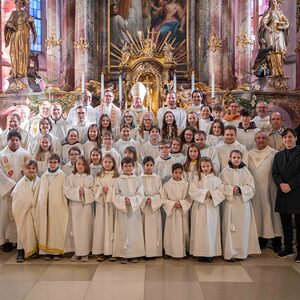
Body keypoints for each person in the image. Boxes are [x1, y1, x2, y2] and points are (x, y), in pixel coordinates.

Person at [220, 150, 260, 261]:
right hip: (230, 204)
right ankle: (230, 253)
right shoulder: (224, 171)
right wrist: (230, 189)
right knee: (230, 229)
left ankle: (241, 253)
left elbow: (252, 188)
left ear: (241, 158)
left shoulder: (246, 172)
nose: (236, 159)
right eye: (234, 157)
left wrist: (241, 189)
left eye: (238, 157)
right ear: (230, 158)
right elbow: (220, 186)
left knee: (242, 229)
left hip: (243, 205)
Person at [248, 131, 282, 252]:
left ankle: (276, 240)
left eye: (263, 138)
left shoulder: (274, 153)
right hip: (255, 191)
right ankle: (260, 239)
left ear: (267, 140)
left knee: (272, 214)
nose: (261, 140)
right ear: (255, 140)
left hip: (270, 190)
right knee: (258, 214)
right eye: (258, 138)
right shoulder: (248, 154)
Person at [188, 157, 225, 262]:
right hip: (199, 208)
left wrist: (212, 194)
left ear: (211, 166)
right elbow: (192, 191)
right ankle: (199, 253)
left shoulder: (217, 180)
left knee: (211, 230)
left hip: (211, 207)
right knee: (199, 230)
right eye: (203, 166)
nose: (205, 168)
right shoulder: (196, 178)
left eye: (207, 166)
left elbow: (222, 193)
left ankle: (210, 253)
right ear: (200, 167)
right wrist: (204, 193)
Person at [272, 128, 300, 262]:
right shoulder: (278, 155)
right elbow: (275, 173)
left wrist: (290, 185)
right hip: (283, 192)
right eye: (285, 138)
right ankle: (288, 248)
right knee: (286, 223)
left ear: (295, 138)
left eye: (290, 137)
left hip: (297, 192)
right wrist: (281, 185)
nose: (287, 140)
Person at [0, 130, 31, 252]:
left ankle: (19, 240)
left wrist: (20, 186)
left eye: (17, 140)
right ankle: (7, 240)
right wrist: (11, 185)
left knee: (20, 215)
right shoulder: (2, 155)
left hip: (21, 190)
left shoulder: (26, 155)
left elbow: (30, 170)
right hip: (7, 192)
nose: (15, 142)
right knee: (5, 216)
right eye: (12, 140)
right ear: (8, 141)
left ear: (20, 141)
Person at [34, 153, 69, 260]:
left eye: (55, 162)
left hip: (58, 207)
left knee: (56, 228)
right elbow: (40, 191)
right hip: (45, 207)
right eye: (50, 162)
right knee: (46, 227)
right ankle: (46, 251)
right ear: (47, 163)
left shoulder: (62, 176)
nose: (52, 164)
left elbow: (65, 191)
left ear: (58, 163)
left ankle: (57, 252)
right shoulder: (44, 176)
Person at [113, 157, 145, 263]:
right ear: (122, 167)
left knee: (134, 231)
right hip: (122, 210)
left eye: (130, 166)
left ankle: (134, 254)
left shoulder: (138, 179)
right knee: (122, 231)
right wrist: (122, 200)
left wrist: (131, 201)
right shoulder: (118, 180)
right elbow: (115, 195)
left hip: (134, 210)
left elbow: (140, 194)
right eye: (125, 166)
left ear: (133, 167)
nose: (128, 168)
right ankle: (123, 255)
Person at [64, 156, 94, 262]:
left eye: (82, 164)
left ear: (86, 166)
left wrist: (85, 191)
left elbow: (93, 191)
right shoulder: (70, 177)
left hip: (86, 207)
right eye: (78, 164)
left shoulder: (90, 177)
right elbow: (66, 191)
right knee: (75, 229)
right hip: (75, 206)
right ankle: (76, 252)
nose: (80, 166)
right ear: (75, 165)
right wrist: (77, 191)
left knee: (86, 229)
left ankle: (85, 252)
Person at [12, 160, 39, 262]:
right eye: (29, 168)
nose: (31, 170)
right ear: (24, 170)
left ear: (36, 170)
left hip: (35, 210)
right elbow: (17, 200)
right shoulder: (20, 183)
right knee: (23, 230)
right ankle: (21, 251)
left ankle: (34, 250)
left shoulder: (40, 181)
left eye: (33, 168)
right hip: (24, 211)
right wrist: (26, 206)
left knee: (34, 231)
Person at [93, 154, 119, 261]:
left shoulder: (116, 176)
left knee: (113, 226)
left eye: (109, 162)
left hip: (112, 205)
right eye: (105, 162)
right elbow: (95, 188)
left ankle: (114, 251)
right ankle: (102, 251)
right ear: (102, 163)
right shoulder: (99, 175)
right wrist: (101, 190)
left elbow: (118, 189)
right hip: (102, 205)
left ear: (113, 163)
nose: (107, 164)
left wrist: (110, 191)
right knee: (102, 227)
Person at [162, 163, 191, 258]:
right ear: (172, 173)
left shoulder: (186, 185)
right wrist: (173, 204)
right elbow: (163, 199)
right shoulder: (167, 185)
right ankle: (169, 251)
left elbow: (189, 198)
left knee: (183, 231)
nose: (178, 175)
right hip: (172, 212)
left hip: (182, 211)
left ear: (182, 173)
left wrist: (182, 203)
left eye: (180, 173)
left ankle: (183, 250)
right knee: (171, 232)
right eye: (176, 172)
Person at [4, 0, 36, 79]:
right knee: (14, 52)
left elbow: (29, 21)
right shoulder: (13, 13)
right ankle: (15, 71)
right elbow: (7, 23)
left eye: (21, 3)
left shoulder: (25, 13)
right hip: (15, 35)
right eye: (17, 3)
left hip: (23, 35)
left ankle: (22, 71)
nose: (19, 4)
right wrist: (10, 25)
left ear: (22, 4)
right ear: (15, 3)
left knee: (22, 52)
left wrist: (31, 21)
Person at [141, 156, 163, 258]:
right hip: (144, 208)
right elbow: (137, 193)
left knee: (155, 230)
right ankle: (144, 251)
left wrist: (153, 200)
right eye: (147, 165)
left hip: (154, 208)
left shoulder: (157, 178)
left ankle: (154, 252)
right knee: (143, 228)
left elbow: (161, 194)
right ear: (143, 166)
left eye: (151, 165)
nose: (149, 167)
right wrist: (145, 199)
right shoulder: (139, 178)